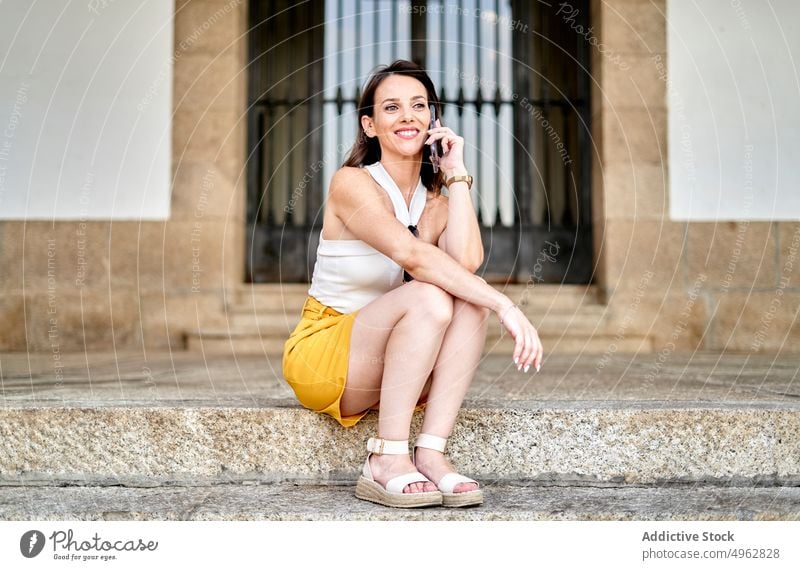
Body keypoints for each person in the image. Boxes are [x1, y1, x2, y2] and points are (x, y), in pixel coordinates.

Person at [283, 59, 543, 508]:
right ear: (370, 125)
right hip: (327, 354)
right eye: (391, 108)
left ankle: (431, 451)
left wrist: (456, 174)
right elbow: (411, 256)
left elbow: (466, 263)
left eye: (419, 106)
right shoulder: (351, 184)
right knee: (430, 294)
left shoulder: (437, 203)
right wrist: (508, 306)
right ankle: (386, 457)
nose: (407, 116)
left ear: (433, 120)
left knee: (465, 299)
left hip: (402, 360)